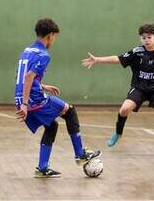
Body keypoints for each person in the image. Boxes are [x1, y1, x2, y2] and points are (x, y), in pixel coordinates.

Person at [15, 18, 101, 178]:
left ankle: (42, 167)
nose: (54, 41)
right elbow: (28, 78)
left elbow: (25, 78)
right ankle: (80, 154)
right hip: (32, 100)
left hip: (21, 97)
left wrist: (43, 87)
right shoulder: (43, 55)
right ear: (50, 35)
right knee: (70, 112)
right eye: (54, 37)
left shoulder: (26, 51)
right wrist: (26, 104)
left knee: (51, 125)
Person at [82, 22, 154, 155]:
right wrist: (97, 60)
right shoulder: (137, 52)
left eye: (149, 37)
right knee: (124, 109)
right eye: (143, 37)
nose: (146, 40)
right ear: (140, 39)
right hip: (140, 87)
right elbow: (117, 58)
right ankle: (118, 133)